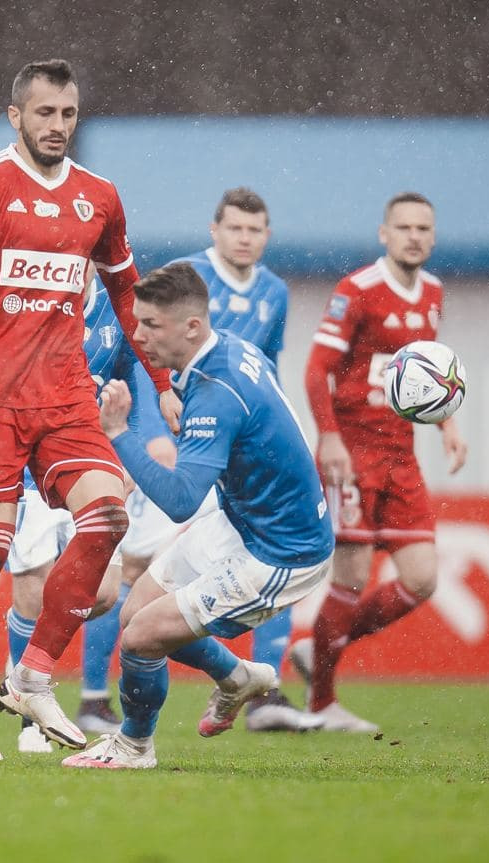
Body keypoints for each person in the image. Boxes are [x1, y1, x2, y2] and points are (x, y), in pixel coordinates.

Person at [0, 58, 179, 760]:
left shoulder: (99, 197)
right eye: (45, 113)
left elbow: (127, 293)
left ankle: (31, 676)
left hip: (65, 396)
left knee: (107, 517)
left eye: (68, 114)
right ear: (16, 116)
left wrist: (163, 380)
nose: (57, 126)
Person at [62, 261, 335, 770]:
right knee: (133, 613)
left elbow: (181, 501)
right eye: (137, 322)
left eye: (151, 325)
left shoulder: (215, 393)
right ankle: (237, 677)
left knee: (142, 638)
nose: (138, 336)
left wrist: (119, 434)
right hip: (243, 521)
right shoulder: (226, 348)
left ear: (191, 326)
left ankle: (134, 747)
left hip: (282, 553)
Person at [289, 192, 467, 732]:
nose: (414, 236)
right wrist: (330, 438)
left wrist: (447, 424)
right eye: (404, 227)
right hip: (353, 452)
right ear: (384, 234)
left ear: (433, 237)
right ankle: (321, 703)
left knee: (422, 579)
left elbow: (422, 377)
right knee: (352, 577)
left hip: (400, 454)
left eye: (423, 228)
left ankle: (322, 648)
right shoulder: (358, 289)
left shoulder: (433, 293)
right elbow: (316, 369)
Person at [163, 187, 320, 732]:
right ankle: (97, 692)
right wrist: (154, 414)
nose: (245, 238)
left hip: (245, 453)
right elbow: (146, 349)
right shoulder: (186, 278)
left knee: (272, 549)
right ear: (215, 230)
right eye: (235, 228)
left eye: (254, 230)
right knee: (139, 571)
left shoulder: (274, 291)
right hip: (190, 443)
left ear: (267, 236)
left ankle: (265, 694)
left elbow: (267, 368)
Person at [5, 275, 173, 754]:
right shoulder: (27, 301)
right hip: (29, 466)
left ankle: (23, 652)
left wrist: (130, 453)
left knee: (101, 593)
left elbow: (129, 392)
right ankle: (29, 718)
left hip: (91, 463)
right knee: (33, 587)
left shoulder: (116, 310)